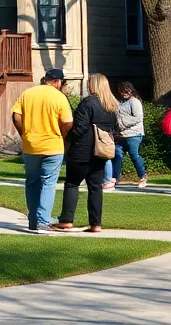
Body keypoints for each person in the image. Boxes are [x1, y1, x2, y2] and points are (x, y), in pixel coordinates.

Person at [52, 73, 119, 233]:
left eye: (89, 83)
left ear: (94, 85)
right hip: (101, 151)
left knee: (72, 184)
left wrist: (67, 139)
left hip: (82, 150)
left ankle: (67, 220)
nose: (88, 85)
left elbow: (80, 128)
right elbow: (115, 129)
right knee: (95, 187)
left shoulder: (88, 103)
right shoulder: (111, 105)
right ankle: (96, 223)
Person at [12, 68, 73, 234]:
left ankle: (33, 220)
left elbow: (16, 116)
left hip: (31, 145)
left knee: (32, 182)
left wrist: (24, 133)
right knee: (48, 183)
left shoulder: (28, 93)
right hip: (53, 145)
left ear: (45, 78)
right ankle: (43, 221)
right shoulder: (59, 97)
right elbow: (68, 122)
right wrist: (61, 134)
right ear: (58, 82)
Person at [108, 81, 148, 189]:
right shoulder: (119, 102)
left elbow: (138, 118)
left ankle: (142, 177)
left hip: (134, 134)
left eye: (126, 91)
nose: (124, 93)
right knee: (117, 154)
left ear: (131, 90)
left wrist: (123, 124)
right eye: (122, 91)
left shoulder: (134, 102)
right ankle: (114, 178)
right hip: (121, 136)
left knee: (133, 154)